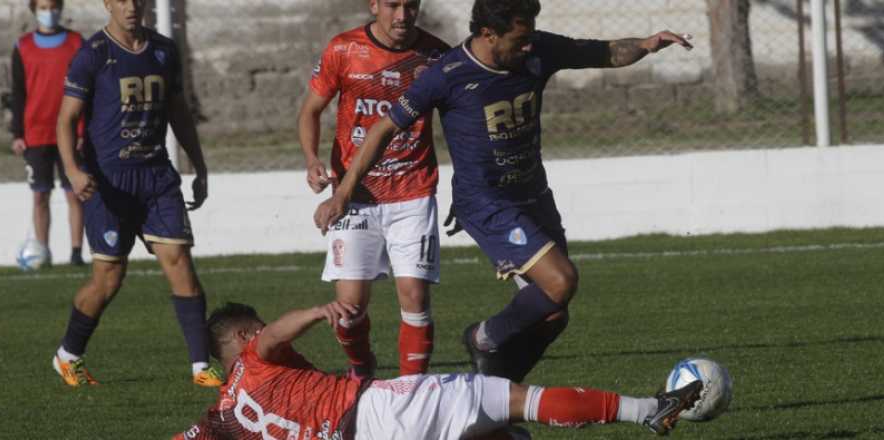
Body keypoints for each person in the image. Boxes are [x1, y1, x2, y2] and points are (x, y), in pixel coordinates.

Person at [314, 0, 694, 383]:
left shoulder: (538, 49)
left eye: (530, 36)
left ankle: (499, 387)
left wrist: (647, 44)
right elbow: (382, 130)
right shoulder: (447, 74)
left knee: (553, 314)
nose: (528, 46)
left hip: (534, 196)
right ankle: (482, 338)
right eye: (520, 39)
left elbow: (605, 52)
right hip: (486, 204)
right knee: (561, 281)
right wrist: (343, 194)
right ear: (488, 34)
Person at [174, 301, 703, 439]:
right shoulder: (256, 355)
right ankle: (647, 411)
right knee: (516, 400)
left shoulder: (222, 418)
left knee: (498, 433)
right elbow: (271, 337)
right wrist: (313, 313)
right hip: (380, 410)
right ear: (242, 339)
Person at [50, 0, 221, 388]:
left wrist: (199, 165)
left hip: (157, 178)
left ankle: (200, 368)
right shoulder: (93, 55)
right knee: (108, 278)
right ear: (107, 4)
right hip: (109, 183)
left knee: (178, 259)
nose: (130, 6)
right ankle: (68, 355)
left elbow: (178, 112)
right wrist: (74, 171)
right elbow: (66, 120)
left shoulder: (164, 50)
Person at [297, 0, 450, 378]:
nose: (402, 16)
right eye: (393, 5)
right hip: (355, 195)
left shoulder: (436, 56)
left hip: (413, 189)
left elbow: (459, 121)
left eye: (410, 6)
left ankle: (411, 391)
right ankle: (362, 372)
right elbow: (310, 111)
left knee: (414, 295)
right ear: (374, 5)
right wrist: (311, 159)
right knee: (349, 308)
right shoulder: (344, 49)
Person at [10, 0, 86, 267]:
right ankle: (42, 251)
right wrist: (18, 133)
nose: (49, 12)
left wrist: (82, 130)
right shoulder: (23, 47)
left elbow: (87, 89)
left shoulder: (76, 43)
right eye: (43, 7)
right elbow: (18, 92)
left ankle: (77, 252)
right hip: (36, 133)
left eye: (53, 6)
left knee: (74, 192)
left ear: (60, 8)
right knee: (40, 195)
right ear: (34, 10)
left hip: (70, 132)